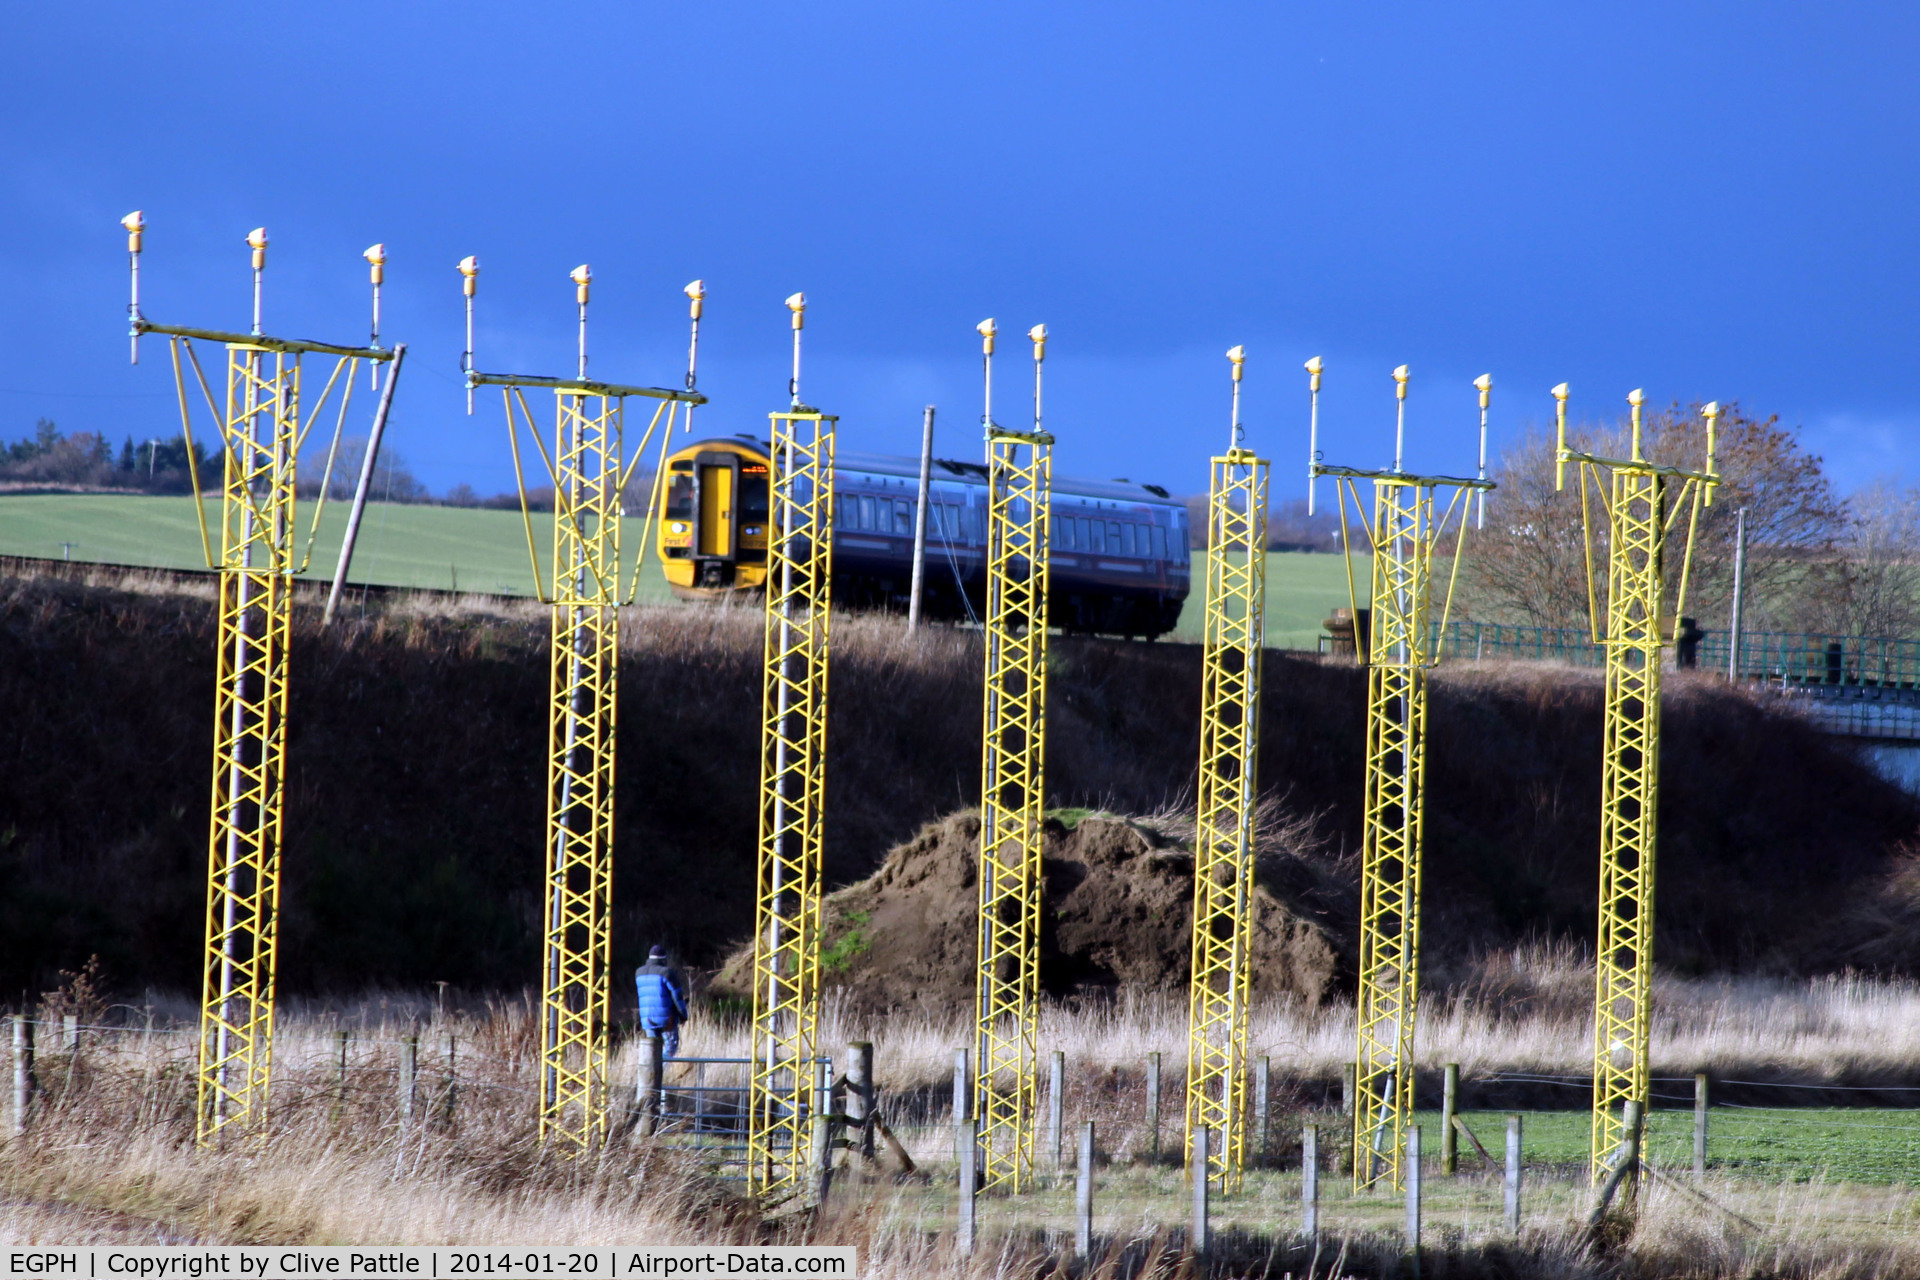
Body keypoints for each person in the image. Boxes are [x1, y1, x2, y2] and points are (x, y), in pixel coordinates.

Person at [635, 945, 690, 1058]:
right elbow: (677, 996)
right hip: (667, 1019)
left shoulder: (639, 972)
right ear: (663, 959)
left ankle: (651, 1074)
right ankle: (662, 1072)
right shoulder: (667, 973)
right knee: (670, 1048)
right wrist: (683, 1015)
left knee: (652, 1050)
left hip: (647, 1019)